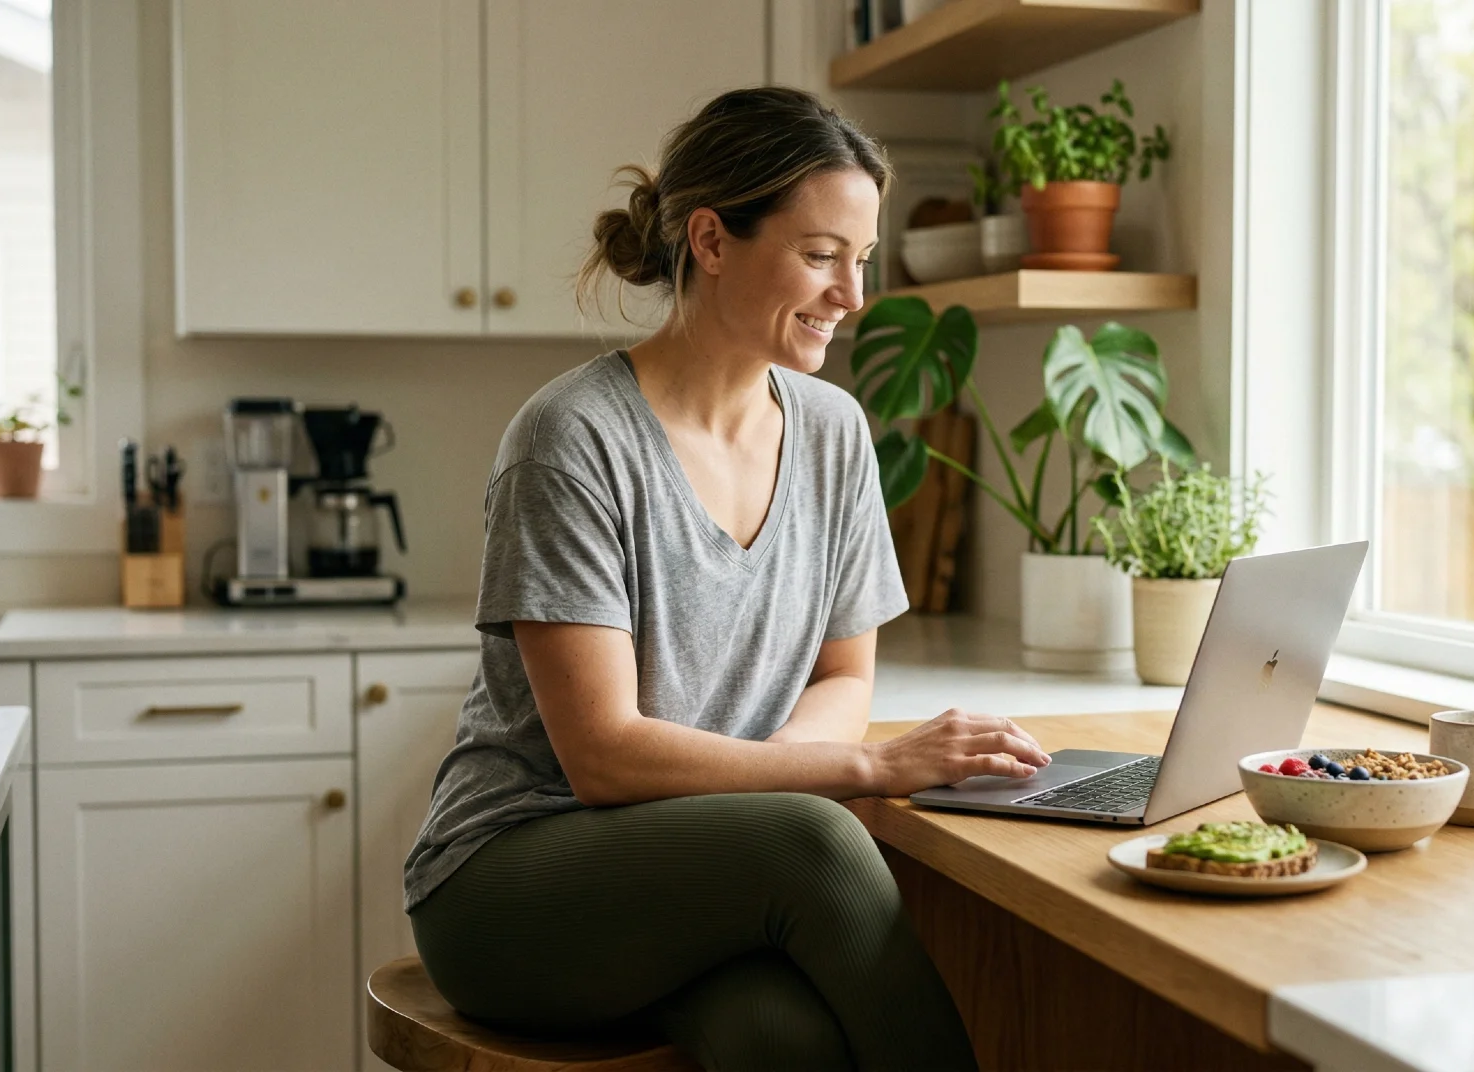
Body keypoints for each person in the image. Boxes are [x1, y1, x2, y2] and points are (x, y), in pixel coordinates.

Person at [402, 86, 1052, 1071]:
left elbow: (843, 677)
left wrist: (781, 784)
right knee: (821, 845)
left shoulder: (834, 434)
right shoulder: (571, 438)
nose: (853, 295)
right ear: (711, 240)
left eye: (861, 259)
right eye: (821, 254)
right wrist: (860, 770)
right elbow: (603, 757)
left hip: (702, 865)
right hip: (511, 878)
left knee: (775, 1038)